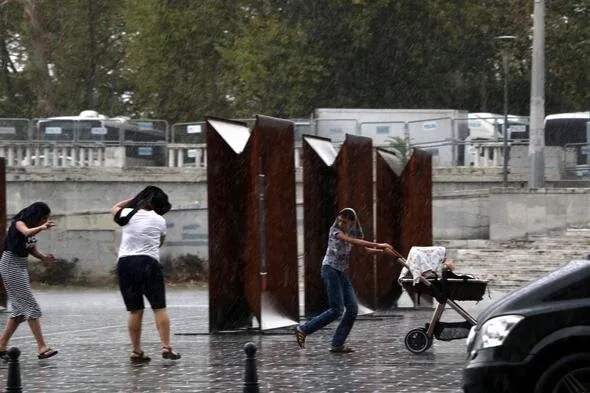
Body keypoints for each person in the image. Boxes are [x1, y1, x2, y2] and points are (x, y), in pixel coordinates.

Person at [295, 207, 400, 353]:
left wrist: (383, 251)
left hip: (339, 272)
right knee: (336, 309)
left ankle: (337, 344)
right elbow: (352, 241)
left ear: (352, 223)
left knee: (352, 308)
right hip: (329, 270)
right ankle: (304, 329)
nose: (341, 224)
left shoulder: (354, 230)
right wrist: (380, 244)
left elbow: (365, 249)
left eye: (345, 222)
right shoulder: (335, 231)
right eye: (340, 220)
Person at [111, 185, 181, 363]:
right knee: (159, 307)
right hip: (148, 263)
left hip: (125, 264)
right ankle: (166, 346)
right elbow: (159, 242)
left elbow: (115, 207)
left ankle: (136, 351)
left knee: (135, 310)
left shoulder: (128, 214)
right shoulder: (159, 220)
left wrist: (136, 198)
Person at [0, 201, 58, 360]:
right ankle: (42, 347)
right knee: (31, 306)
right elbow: (26, 232)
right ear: (36, 216)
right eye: (43, 218)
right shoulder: (19, 223)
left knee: (19, 311)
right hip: (10, 264)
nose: (44, 221)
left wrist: (45, 258)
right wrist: (41, 228)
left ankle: (1, 345)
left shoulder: (34, 229)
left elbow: (31, 248)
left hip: (20, 265)